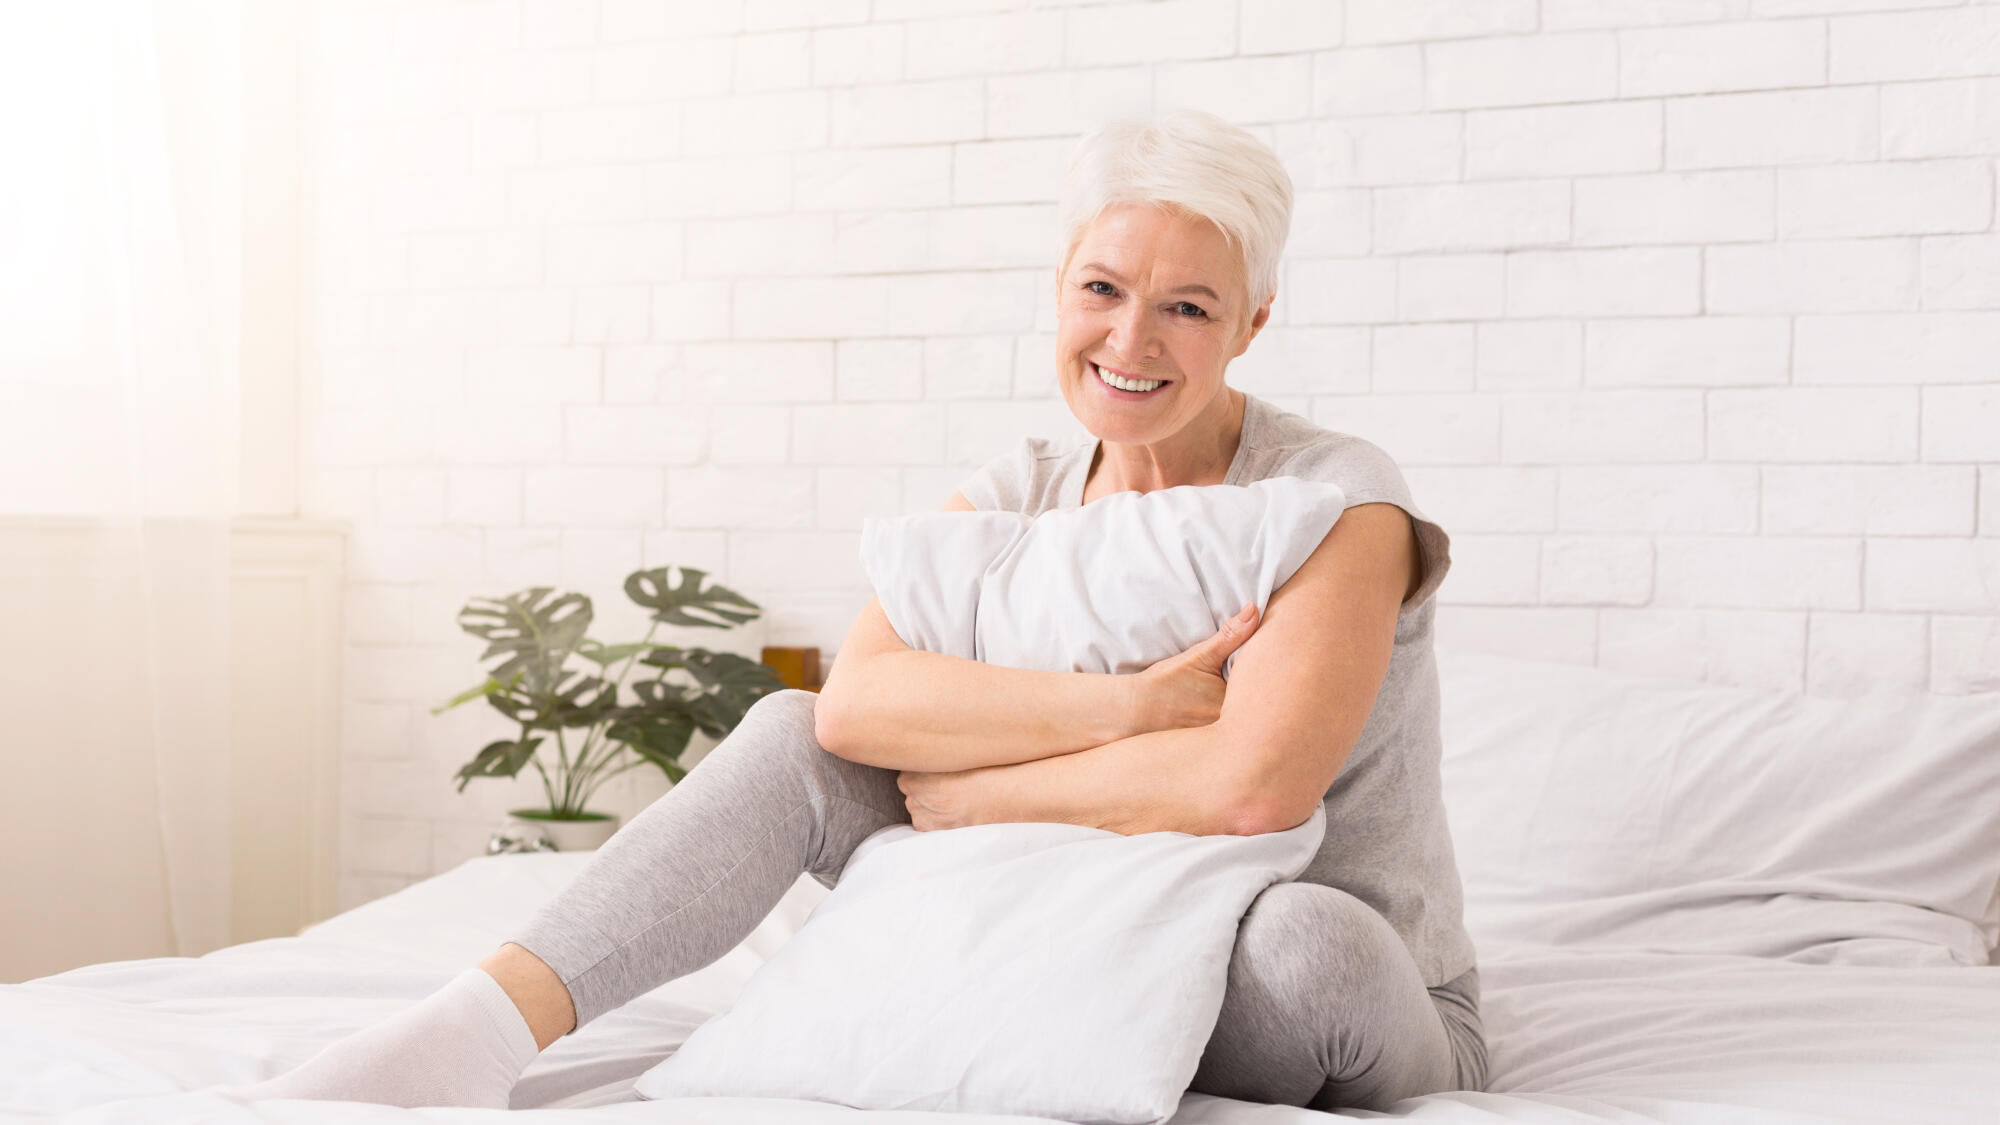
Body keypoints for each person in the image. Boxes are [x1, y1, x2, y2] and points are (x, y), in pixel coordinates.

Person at [221, 108, 1487, 1113]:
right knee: (782, 734)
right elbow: (855, 709)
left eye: (1187, 306)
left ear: (1251, 323)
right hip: (1046, 934)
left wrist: (980, 792)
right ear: (1058, 286)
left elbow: (1252, 789)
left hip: (1316, 973)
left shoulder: (1331, 498)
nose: (1130, 338)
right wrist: (1132, 707)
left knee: (1305, 946)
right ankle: (470, 1034)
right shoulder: (1017, 493)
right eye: (1101, 289)